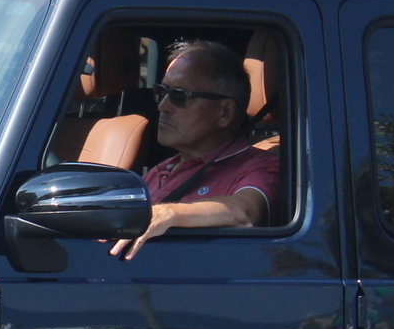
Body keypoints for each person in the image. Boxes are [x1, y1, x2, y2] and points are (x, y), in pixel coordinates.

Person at [106, 40, 280, 260]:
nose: (162, 106)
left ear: (225, 112)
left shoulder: (262, 165)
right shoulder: (162, 170)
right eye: (162, 92)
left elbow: (245, 212)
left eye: (179, 96)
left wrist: (168, 213)